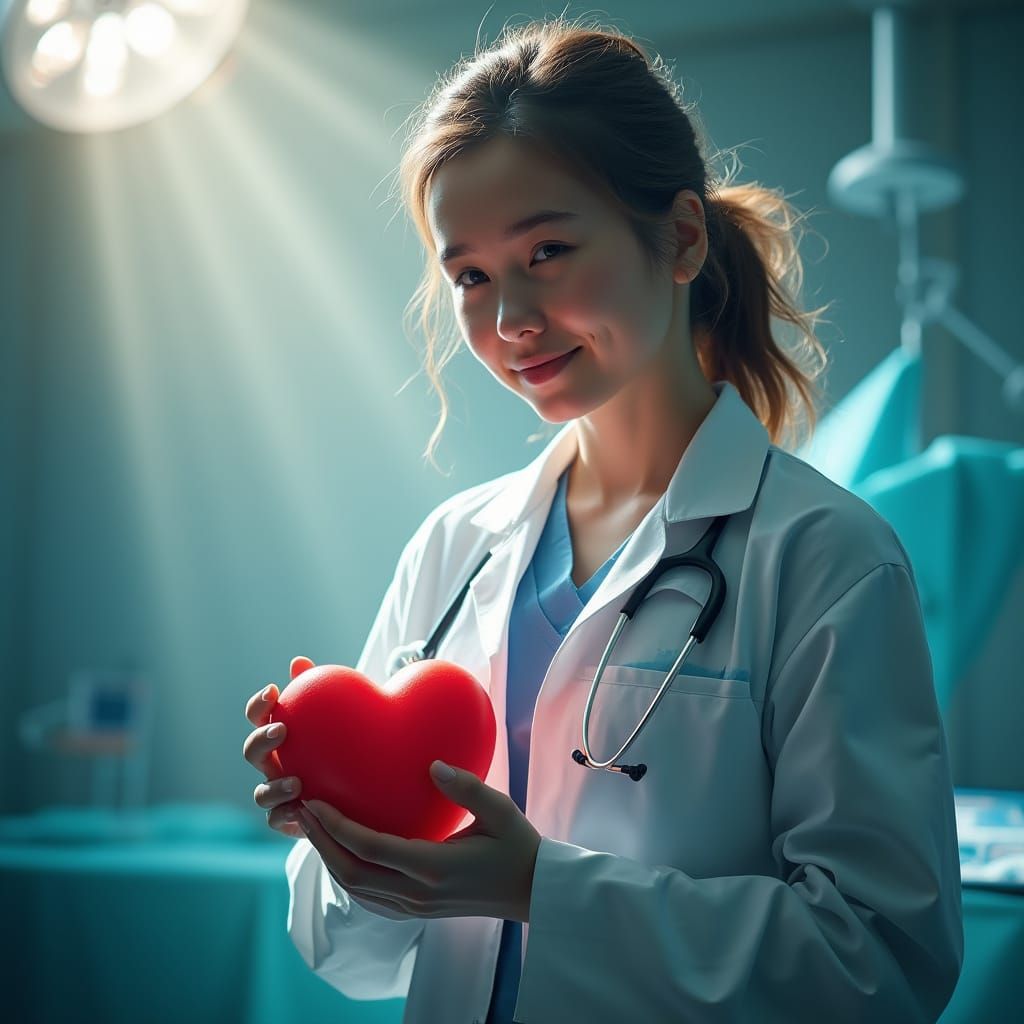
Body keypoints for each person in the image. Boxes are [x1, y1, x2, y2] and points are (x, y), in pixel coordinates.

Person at [242, 14, 963, 1023]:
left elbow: (881, 965)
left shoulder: (823, 557)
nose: (510, 321)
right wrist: (340, 831)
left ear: (678, 237)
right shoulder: (455, 548)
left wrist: (541, 888)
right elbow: (353, 958)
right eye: (471, 276)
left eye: (547, 249)